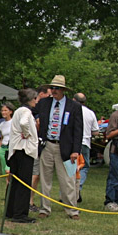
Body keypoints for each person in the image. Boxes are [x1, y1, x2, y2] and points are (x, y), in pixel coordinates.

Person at [34, 75, 82, 219]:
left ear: (63, 90)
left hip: (65, 147)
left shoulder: (74, 106)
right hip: (47, 145)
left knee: (68, 180)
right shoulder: (44, 103)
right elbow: (33, 114)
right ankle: (44, 209)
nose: (54, 91)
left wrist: (75, 151)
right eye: (52, 88)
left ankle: (72, 210)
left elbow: (78, 130)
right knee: (45, 179)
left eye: (57, 88)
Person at [6, 89, 39, 223]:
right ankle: (20, 214)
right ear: (32, 99)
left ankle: (10, 210)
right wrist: (27, 133)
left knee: (14, 182)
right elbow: (24, 123)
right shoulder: (26, 111)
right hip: (24, 150)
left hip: (16, 150)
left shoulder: (19, 111)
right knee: (24, 183)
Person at [73, 92, 100, 201]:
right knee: (83, 166)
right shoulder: (90, 113)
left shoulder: (71, 111)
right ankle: (78, 187)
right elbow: (96, 132)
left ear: (74, 100)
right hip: (85, 142)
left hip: (72, 142)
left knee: (69, 167)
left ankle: (68, 191)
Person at [0, 103, 13, 174]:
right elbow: (2, 137)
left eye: (5, 110)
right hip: (3, 148)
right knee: (4, 171)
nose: (3, 112)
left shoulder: (14, 122)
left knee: (8, 169)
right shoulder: (2, 124)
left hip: (10, 148)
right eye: (2, 110)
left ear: (10, 111)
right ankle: (7, 183)